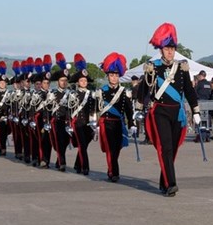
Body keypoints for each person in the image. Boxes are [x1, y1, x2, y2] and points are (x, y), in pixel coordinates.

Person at [136, 22, 201, 197]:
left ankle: (163, 181)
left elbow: (189, 90)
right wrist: (139, 108)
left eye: (172, 48)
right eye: (167, 48)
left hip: (177, 112)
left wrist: (195, 111)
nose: (170, 52)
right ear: (161, 50)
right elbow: (143, 89)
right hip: (160, 111)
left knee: (173, 147)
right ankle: (171, 183)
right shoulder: (153, 67)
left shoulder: (181, 67)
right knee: (165, 147)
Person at [97, 52, 135, 182]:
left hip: (119, 123)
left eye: (116, 75)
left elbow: (129, 110)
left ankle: (111, 168)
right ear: (108, 76)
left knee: (117, 148)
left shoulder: (124, 92)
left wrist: (132, 124)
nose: (114, 78)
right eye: (111, 75)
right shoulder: (102, 91)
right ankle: (114, 172)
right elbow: (96, 109)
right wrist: (94, 123)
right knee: (110, 148)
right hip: (106, 122)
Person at [69, 55, 95, 175]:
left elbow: (94, 109)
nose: (84, 82)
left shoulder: (91, 94)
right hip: (78, 123)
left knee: (84, 145)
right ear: (77, 82)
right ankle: (85, 167)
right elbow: (69, 110)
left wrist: (95, 123)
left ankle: (77, 164)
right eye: (81, 81)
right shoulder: (73, 94)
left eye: (85, 80)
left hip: (88, 124)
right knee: (82, 145)